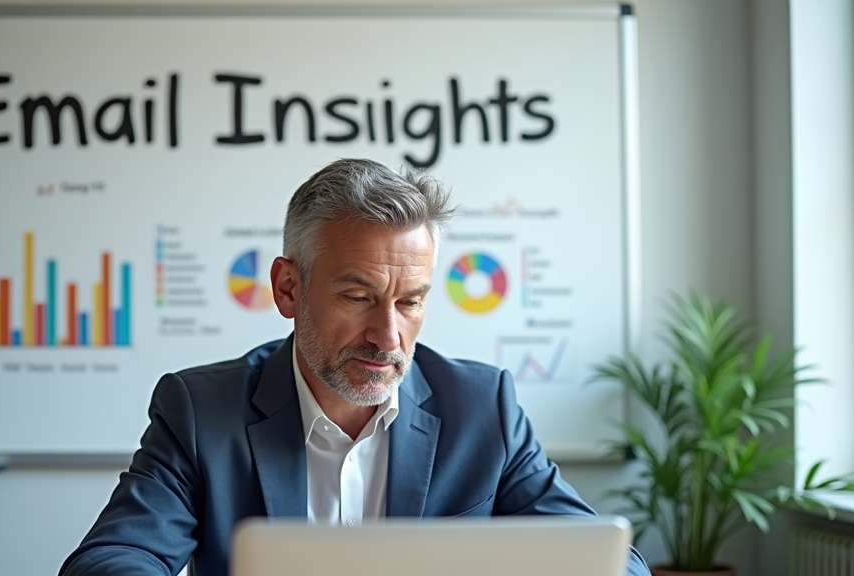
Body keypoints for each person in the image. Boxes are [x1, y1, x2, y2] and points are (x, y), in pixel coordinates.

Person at [60, 158, 649, 576]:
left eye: (410, 301)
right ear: (289, 289)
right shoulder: (200, 411)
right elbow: (113, 558)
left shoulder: (482, 407)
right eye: (359, 297)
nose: (387, 335)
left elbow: (610, 560)